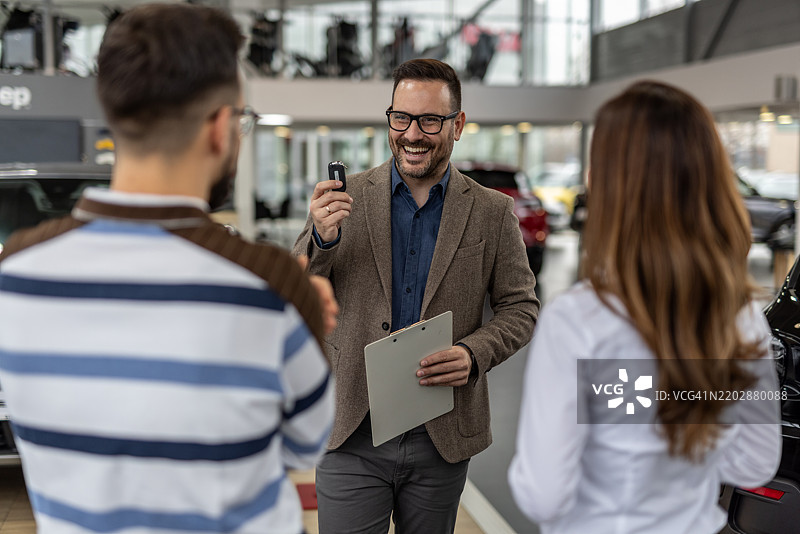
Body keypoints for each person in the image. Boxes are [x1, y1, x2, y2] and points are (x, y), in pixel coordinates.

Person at [0, 4, 335, 533]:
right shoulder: (270, 284)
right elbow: (306, 447)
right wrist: (308, 322)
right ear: (221, 128)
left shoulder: (14, 274)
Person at [508, 80, 782, 533]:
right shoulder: (741, 315)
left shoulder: (577, 319)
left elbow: (544, 494)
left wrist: (630, 398)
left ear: (609, 183)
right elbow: (753, 464)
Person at [293, 58, 540, 533]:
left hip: (440, 432)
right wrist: (321, 239)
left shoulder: (491, 211)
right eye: (401, 118)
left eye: (430, 120)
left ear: (458, 124)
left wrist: (474, 353)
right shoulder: (346, 199)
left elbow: (521, 308)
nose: (412, 134)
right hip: (351, 428)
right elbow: (299, 291)